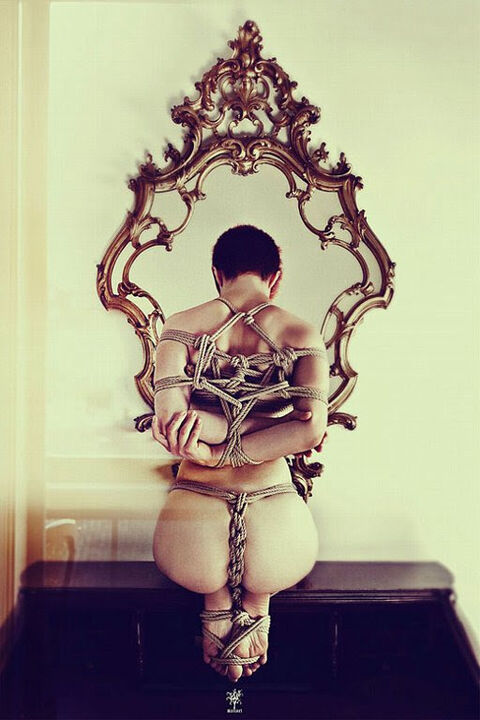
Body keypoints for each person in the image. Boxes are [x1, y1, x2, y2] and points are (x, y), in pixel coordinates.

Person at [151, 224, 329, 683]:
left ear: (217, 273)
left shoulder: (181, 327)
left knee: (210, 592)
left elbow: (174, 424)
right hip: (276, 512)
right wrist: (277, 427)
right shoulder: (301, 333)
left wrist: (213, 440)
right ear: (276, 277)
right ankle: (256, 606)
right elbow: (311, 429)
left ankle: (216, 608)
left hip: (194, 507)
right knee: (260, 594)